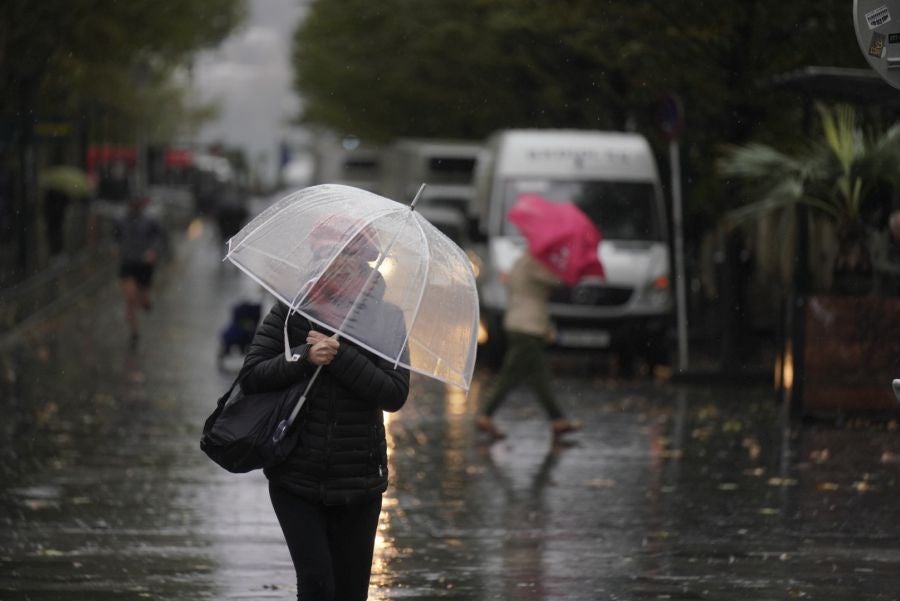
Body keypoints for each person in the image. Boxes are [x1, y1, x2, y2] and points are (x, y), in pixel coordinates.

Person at [237, 225, 409, 601]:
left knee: (350, 592)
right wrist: (303, 357)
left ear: (366, 263)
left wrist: (342, 357)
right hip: (296, 478)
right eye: (331, 257)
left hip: (359, 483)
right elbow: (252, 376)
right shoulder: (291, 313)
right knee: (316, 586)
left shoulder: (387, 319)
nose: (340, 266)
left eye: (349, 257)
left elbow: (395, 394)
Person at [476, 252, 582, 442]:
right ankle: (486, 414)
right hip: (528, 327)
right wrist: (565, 268)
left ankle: (557, 419)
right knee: (510, 375)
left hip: (520, 324)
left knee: (539, 378)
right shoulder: (534, 263)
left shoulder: (520, 261)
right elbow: (557, 281)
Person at [114, 195, 162, 347]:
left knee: (141, 295)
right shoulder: (121, 220)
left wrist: (152, 251)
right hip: (128, 263)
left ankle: (144, 300)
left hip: (144, 265)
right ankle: (134, 331)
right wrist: (115, 247)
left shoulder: (149, 220)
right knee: (129, 297)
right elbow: (115, 237)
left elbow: (158, 237)